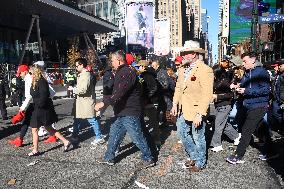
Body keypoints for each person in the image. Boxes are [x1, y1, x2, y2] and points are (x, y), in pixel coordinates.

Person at [95, 50, 154, 170]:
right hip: (123, 111)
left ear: (118, 60)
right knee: (114, 133)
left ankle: (148, 158)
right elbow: (115, 90)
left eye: (112, 60)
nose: (111, 63)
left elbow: (120, 91)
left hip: (130, 111)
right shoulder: (122, 71)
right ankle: (109, 157)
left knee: (137, 136)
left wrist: (104, 102)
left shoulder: (126, 72)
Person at [171, 40, 214, 172]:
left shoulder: (205, 70)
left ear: (194, 54)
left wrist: (200, 114)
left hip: (197, 111)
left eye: (186, 53)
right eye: (183, 53)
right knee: (182, 133)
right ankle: (194, 156)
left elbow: (207, 94)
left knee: (198, 137)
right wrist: (174, 104)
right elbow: (178, 88)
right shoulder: (182, 68)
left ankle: (200, 162)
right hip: (184, 110)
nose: (183, 55)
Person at [227, 52, 271, 164]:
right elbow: (244, 84)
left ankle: (238, 155)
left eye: (245, 61)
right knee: (262, 129)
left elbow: (266, 90)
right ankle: (272, 151)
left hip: (259, 105)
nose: (243, 63)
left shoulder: (262, 72)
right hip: (250, 104)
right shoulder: (248, 72)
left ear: (253, 60)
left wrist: (247, 91)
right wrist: (238, 86)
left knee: (246, 130)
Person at [28, 65, 72, 156]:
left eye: (30, 73)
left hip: (42, 109)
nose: (30, 75)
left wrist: (40, 105)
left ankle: (35, 149)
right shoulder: (34, 81)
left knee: (35, 129)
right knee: (48, 128)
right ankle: (65, 141)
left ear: (35, 72)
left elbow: (45, 95)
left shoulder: (42, 81)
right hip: (37, 108)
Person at [71, 58, 105, 146]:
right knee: (78, 119)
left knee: (92, 119)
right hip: (83, 102)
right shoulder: (82, 74)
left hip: (86, 102)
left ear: (82, 65)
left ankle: (99, 137)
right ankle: (74, 136)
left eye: (77, 66)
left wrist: (73, 89)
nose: (76, 67)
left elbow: (83, 89)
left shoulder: (85, 75)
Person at [210, 60, 240, 152]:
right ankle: (236, 136)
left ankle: (217, 145)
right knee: (223, 123)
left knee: (218, 124)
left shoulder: (225, 81)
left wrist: (217, 96)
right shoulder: (215, 80)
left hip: (225, 105)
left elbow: (231, 95)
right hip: (218, 105)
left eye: (212, 72)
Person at [137, 60, 160, 146]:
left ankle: (157, 140)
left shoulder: (148, 75)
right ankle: (148, 138)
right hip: (145, 101)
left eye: (139, 66)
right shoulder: (143, 75)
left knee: (153, 121)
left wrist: (147, 97)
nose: (138, 67)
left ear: (143, 67)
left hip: (150, 102)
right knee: (146, 121)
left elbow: (154, 88)